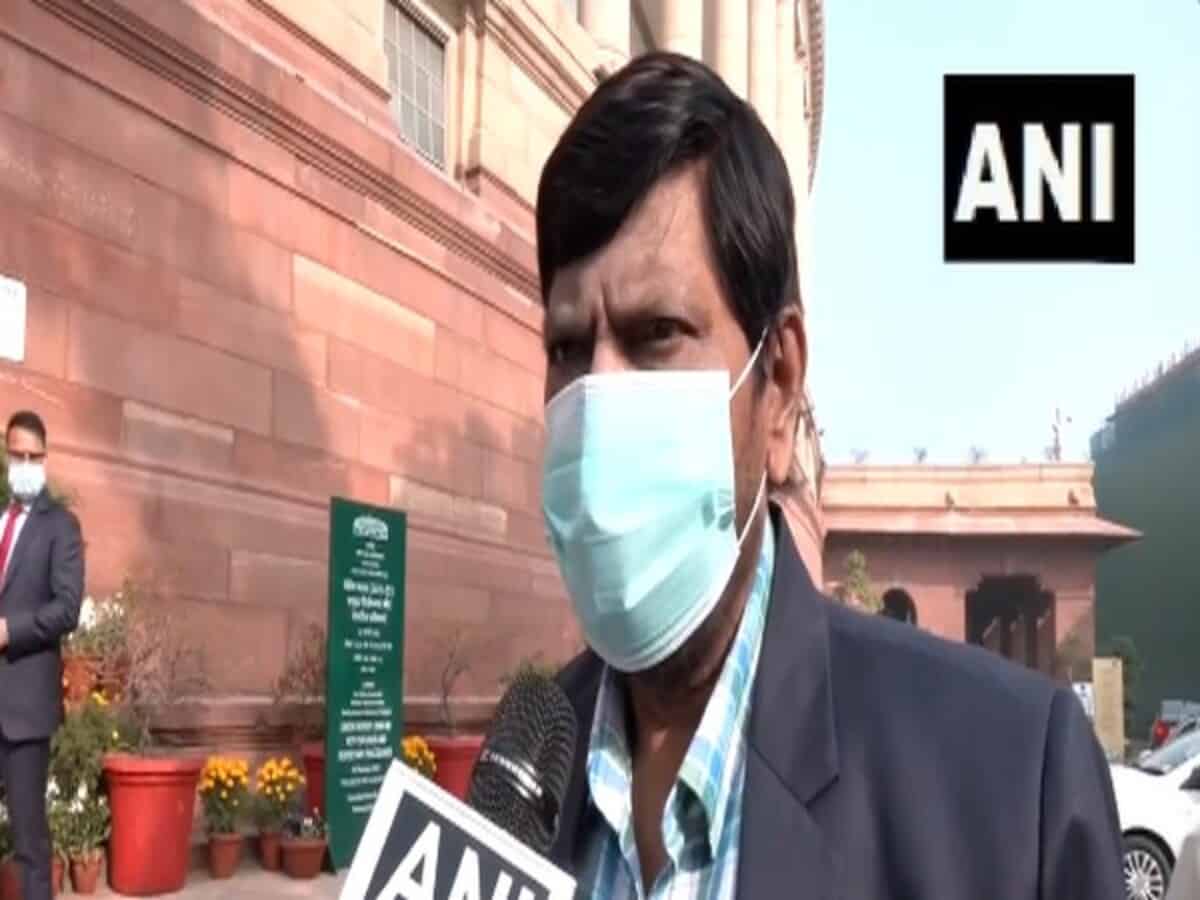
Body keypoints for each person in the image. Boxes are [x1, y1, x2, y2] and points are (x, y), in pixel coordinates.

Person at [536, 53, 1124, 899]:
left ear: (777, 388)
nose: (599, 400)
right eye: (567, 347)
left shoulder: (1008, 790)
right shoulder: (521, 774)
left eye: (656, 333)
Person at [0, 410, 83, 900]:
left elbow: (66, 608)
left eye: (35, 457)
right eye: (18, 456)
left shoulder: (61, 527)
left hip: (25, 712)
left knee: (30, 843)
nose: (26, 466)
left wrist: (10, 631)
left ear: (46, 458)